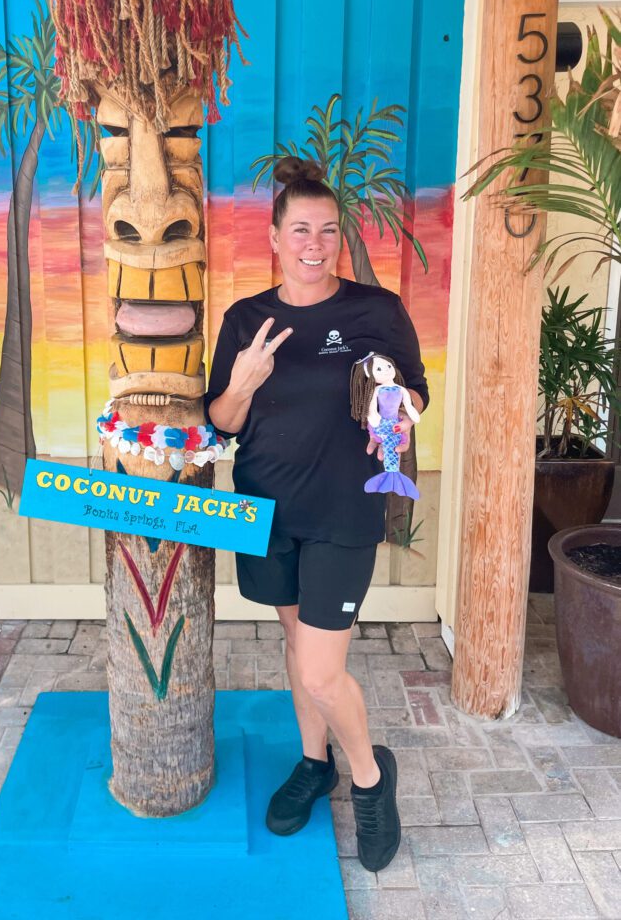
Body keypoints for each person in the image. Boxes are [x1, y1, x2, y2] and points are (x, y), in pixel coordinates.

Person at [204, 156, 429, 873]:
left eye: (327, 231)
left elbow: (415, 393)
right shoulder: (245, 320)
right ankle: (314, 761)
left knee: (323, 669)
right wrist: (241, 382)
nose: (314, 242)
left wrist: (398, 410)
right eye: (299, 229)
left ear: (339, 238)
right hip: (265, 511)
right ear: (273, 237)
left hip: (342, 511)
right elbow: (223, 423)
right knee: (297, 649)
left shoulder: (375, 311)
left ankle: (369, 778)